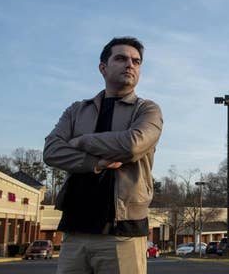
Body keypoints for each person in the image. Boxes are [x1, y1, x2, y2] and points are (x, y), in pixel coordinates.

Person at [43, 36, 163, 274]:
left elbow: (132, 145)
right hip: (75, 232)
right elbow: (52, 151)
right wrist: (94, 162)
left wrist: (80, 141)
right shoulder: (77, 110)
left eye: (136, 61)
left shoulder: (148, 110)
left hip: (122, 234)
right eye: (121, 58)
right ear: (103, 67)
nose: (130, 64)